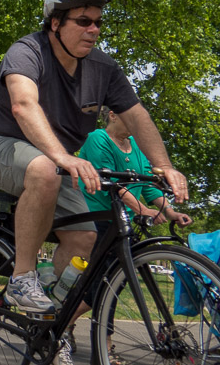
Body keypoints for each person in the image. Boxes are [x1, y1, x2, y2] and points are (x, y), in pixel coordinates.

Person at [0, 0, 188, 326]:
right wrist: (64, 157)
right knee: (43, 169)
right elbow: (24, 106)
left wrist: (164, 166)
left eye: (98, 22)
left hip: (53, 161)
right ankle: (21, 280)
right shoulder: (27, 51)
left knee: (85, 238)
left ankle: (49, 326)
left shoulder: (104, 69)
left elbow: (137, 116)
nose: (94, 29)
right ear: (55, 23)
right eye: (83, 21)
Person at [62, 108, 193, 361]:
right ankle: (104, 348)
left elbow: (147, 187)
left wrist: (171, 212)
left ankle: (65, 322)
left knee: (113, 284)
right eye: (129, 116)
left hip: (123, 224)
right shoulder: (98, 138)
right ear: (112, 115)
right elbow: (112, 184)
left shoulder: (136, 146)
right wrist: (142, 209)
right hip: (98, 221)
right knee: (104, 286)